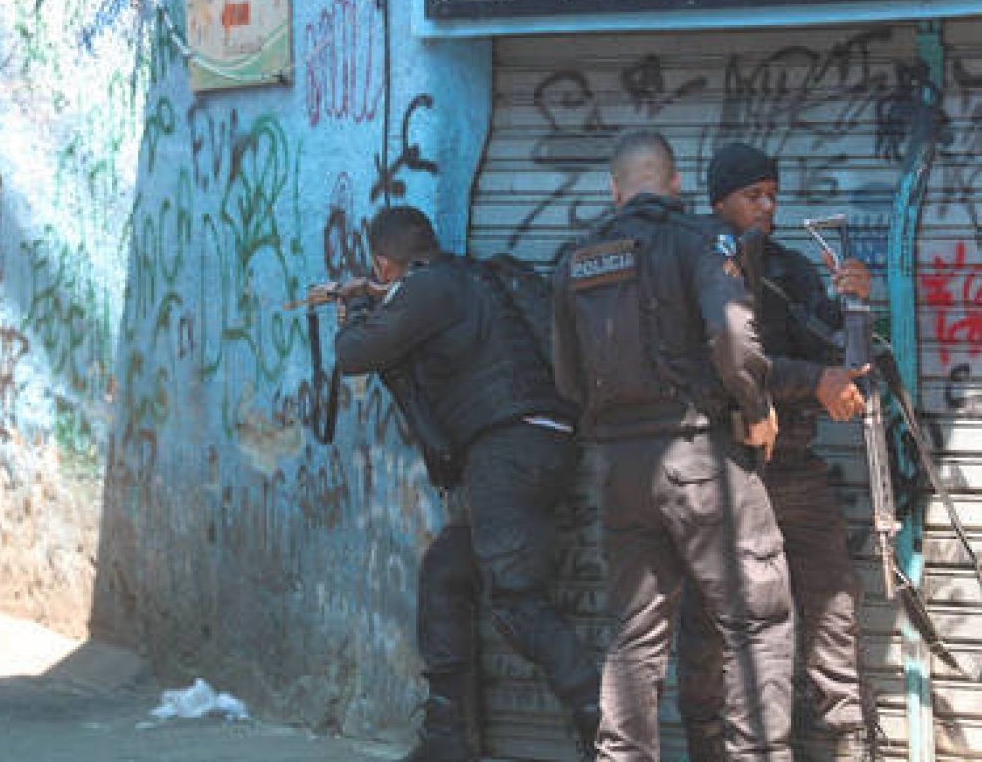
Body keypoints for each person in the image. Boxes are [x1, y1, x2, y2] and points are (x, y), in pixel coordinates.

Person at [551, 131, 794, 761]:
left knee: (634, 637)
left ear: (614, 187)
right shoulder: (699, 241)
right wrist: (756, 407)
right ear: (678, 183)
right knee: (755, 625)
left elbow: (566, 378)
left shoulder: (575, 259)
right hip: (701, 458)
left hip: (621, 471)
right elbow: (735, 337)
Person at [334, 206, 602, 762]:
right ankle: (446, 736)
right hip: (536, 445)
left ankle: (604, 728)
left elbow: (354, 354)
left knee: (514, 598)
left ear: (385, 263)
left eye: (379, 272)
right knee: (447, 573)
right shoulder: (473, 277)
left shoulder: (429, 289)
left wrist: (358, 305)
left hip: (507, 449)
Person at [675, 142, 876, 762]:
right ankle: (709, 746)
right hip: (720, 468)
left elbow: (845, 369)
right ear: (718, 203)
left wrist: (856, 302)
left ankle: (847, 742)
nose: (767, 207)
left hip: (791, 466)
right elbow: (719, 362)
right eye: (751, 196)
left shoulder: (788, 269)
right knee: (711, 622)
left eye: (772, 195)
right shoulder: (694, 266)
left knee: (831, 603)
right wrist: (805, 381)